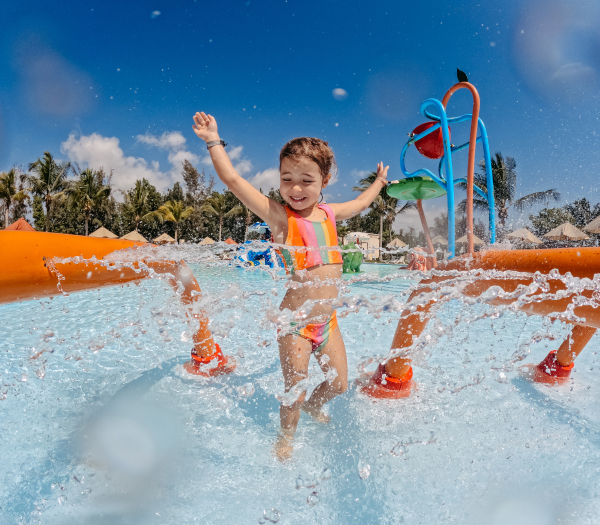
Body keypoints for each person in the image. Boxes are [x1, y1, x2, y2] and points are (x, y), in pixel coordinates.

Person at [192, 112, 389, 461]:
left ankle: (314, 407)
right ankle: (285, 438)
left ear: (324, 180)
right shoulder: (280, 216)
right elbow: (234, 180)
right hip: (296, 323)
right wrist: (212, 141)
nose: (295, 188)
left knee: (339, 384)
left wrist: (379, 183)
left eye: (306, 180)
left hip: (327, 321)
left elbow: (361, 204)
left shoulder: (330, 214)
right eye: (287, 178)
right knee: (294, 390)